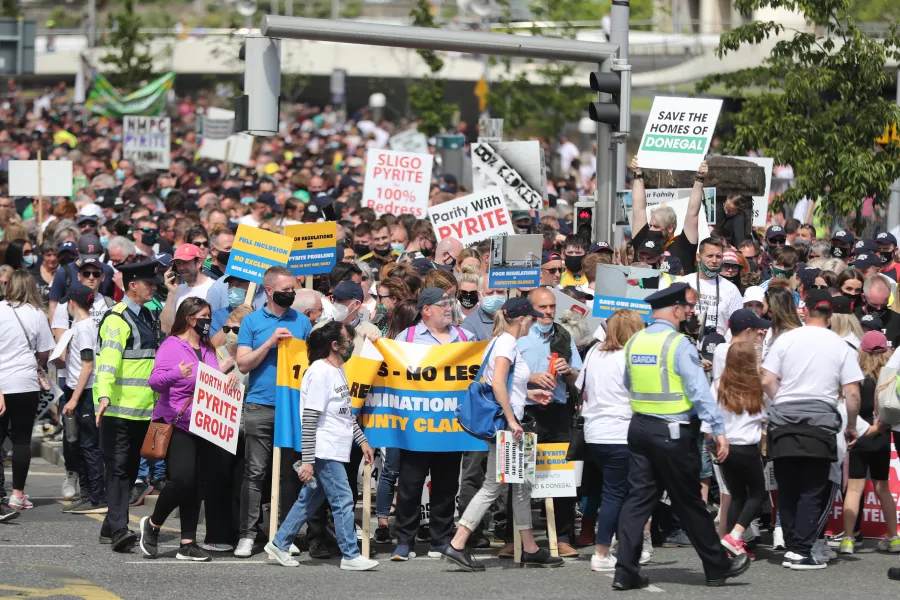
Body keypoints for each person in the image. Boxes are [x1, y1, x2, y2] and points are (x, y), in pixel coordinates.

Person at [613, 282, 749, 590]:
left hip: (640, 427)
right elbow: (700, 393)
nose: (689, 311)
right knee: (689, 502)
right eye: (686, 307)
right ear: (675, 310)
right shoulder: (678, 344)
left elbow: (627, 382)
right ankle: (717, 567)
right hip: (673, 432)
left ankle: (625, 571)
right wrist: (718, 430)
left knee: (637, 501)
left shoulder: (635, 341)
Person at [441, 297, 562, 570]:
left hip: (510, 423)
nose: (534, 321)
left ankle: (529, 547)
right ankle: (458, 542)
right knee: (495, 486)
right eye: (531, 317)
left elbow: (504, 383)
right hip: (509, 425)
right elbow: (497, 383)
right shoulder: (507, 342)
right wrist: (511, 419)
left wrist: (529, 393)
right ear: (521, 319)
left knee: (520, 485)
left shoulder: (501, 341)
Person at [263, 321, 379, 572]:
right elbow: (310, 418)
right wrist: (308, 459)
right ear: (335, 345)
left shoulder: (337, 370)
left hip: (336, 447)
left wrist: (362, 441)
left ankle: (279, 543)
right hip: (324, 449)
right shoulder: (319, 372)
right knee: (344, 499)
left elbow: (345, 415)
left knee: (309, 500)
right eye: (349, 342)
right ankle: (350, 554)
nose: (352, 347)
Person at [761, 289, 863, 570]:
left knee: (788, 486)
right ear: (830, 316)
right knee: (812, 488)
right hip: (819, 422)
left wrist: (781, 402)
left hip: (783, 422)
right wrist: (851, 426)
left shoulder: (786, 340)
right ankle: (802, 550)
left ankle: (795, 547)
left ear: (804, 310)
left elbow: (767, 379)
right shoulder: (840, 345)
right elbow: (852, 392)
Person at [139, 298, 240, 562]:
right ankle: (152, 525)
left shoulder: (207, 348)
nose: (208, 321)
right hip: (176, 423)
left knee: (196, 485)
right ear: (189, 318)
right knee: (182, 479)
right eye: (204, 316)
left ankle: (187, 542)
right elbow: (155, 382)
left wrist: (226, 376)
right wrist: (176, 373)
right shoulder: (172, 346)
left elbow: (212, 380)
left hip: (204, 425)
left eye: (209, 315)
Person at [390, 288, 474, 561]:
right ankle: (405, 540)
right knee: (410, 486)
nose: (450, 308)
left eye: (450, 303)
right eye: (443, 304)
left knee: (446, 486)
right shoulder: (409, 338)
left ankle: (441, 539)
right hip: (416, 427)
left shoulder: (464, 337)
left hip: (452, 428)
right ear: (426, 310)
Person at [234, 266, 312, 558]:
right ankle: (248, 535)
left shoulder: (302, 322)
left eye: (293, 289)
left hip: (291, 408)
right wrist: (268, 343)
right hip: (259, 404)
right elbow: (243, 364)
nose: (292, 294)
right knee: (255, 473)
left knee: (289, 475)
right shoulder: (252, 321)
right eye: (287, 290)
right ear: (269, 291)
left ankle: (284, 534)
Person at [94, 260, 164, 551]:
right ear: (132, 285)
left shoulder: (149, 315)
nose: (154, 288)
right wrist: (103, 397)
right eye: (149, 283)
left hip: (143, 411)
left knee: (130, 467)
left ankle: (110, 525)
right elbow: (107, 362)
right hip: (118, 411)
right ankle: (120, 530)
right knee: (119, 470)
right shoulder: (116, 319)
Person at [576, 309, 648, 571]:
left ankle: (626, 548)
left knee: (619, 493)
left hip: (595, 433)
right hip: (621, 432)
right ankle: (603, 552)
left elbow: (581, 388)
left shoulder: (595, 352)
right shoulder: (630, 356)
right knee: (618, 495)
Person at [518, 287, 582, 556]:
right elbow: (501, 374)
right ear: (531, 309)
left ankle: (563, 537)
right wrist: (531, 378)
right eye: (542, 307)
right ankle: (517, 538)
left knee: (560, 476)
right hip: (527, 412)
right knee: (520, 477)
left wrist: (569, 372)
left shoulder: (563, 335)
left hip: (557, 412)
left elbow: (578, 376)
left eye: (552, 307)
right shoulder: (519, 336)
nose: (547, 312)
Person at [839, 330, 899, 554]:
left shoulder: (856, 378)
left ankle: (847, 539)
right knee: (882, 488)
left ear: (861, 350)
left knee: (854, 489)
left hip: (859, 435)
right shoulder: (889, 378)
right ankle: (894, 537)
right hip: (882, 436)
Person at [0, 271, 55, 510]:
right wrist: (38, 362)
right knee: (22, 440)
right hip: (25, 382)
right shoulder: (37, 314)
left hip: (1, 383)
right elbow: (45, 351)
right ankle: (17, 493)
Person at [706, 342, 767, 557]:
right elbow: (765, 415)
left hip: (724, 447)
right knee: (759, 492)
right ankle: (736, 536)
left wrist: (709, 443)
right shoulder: (756, 384)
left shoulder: (719, 383)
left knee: (737, 495)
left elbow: (709, 415)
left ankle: (731, 547)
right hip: (747, 447)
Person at [59, 284, 107, 515]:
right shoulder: (78, 326)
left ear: (73, 303)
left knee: (90, 446)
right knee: (79, 443)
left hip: (86, 393)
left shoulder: (85, 327)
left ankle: (97, 497)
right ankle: (87, 493)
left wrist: (74, 399)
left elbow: (88, 366)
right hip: (76, 389)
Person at [630, 155, 706, 275]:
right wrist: (637, 173)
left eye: (656, 226)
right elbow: (638, 209)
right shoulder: (643, 240)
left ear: (670, 228)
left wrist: (699, 179)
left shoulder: (683, 245)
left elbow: (693, 213)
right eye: (650, 225)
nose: (650, 229)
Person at [673, 238, 743, 338]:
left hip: (718, 347)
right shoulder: (682, 283)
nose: (714, 261)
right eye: (710, 256)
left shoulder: (731, 289)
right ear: (698, 257)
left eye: (718, 256)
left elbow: (737, 325)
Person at [161, 244, 214, 333]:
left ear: (198, 263)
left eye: (186, 262)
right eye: (178, 263)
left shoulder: (213, 287)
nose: (181, 268)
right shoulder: (176, 290)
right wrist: (171, 293)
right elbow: (166, 328)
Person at [711, 309, 770, 380]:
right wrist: (758, 345)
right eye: (756, 330)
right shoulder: (741, 353)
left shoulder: (720, 348)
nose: (757, 334)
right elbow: (757, 380)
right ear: (748, 331)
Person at [460, 275, 508, 341]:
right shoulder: (469, 326)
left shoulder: (515, 318)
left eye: (500, 292)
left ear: (506, 292)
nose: (495, 296)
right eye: (490, 293)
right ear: (479, 295)